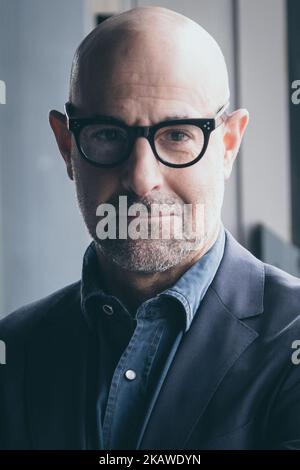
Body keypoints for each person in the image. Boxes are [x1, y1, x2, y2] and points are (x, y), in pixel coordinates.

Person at [1, 6, 300, 450]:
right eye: (107, 134)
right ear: (67, 146)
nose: (141, 178)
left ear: (228, 145)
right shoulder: (14, 351)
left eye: (177, 135)